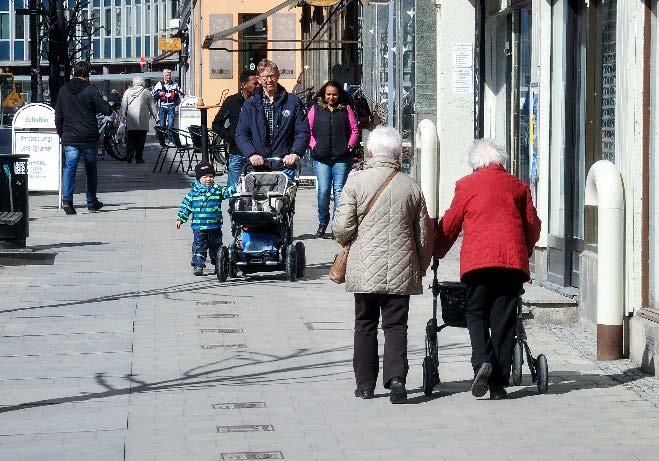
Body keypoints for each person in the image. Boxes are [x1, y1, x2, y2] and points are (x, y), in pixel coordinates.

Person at [433, 139, 541, 400]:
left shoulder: (466, 185)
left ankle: (481, 360)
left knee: (475, 312)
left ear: (475, 164)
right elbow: (532, 226)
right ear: (500, 161)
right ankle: (497, 385)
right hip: (510, 262)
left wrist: (436, 250)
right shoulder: (518, 186)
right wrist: (524, 249)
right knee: (503, 322)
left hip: (478, 263)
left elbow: (450, 223)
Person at [333, 126, 433, 404]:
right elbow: (424, 235)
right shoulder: (411, 185)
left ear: (370, 151)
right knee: (396, 325)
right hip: (402, 268)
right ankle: (397, 379)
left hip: (364, 268)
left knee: (365, 323)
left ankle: (365, 384)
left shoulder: (355, 182)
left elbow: (341, 228)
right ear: (397, 152)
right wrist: (420, 267)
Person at [235, 59, 310, 180]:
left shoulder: (292, 102)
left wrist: (295, 153)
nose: (269, 80)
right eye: (265, 77)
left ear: (278, 76)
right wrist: (252, 154)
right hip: (257, 167)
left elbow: (302, 131)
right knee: (258, 199)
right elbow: (241, 134)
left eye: (272, 76)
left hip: (285, 165)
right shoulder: (250, 104)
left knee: (282, 199)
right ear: (259, 78)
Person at [55, 60, 112, 215]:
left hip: (70, 136)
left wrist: (62, 134)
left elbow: (58, 115)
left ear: (74, 72)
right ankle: (92, 202)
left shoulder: (63, 90)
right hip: (88, 136)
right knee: (90, 169)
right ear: (87, 74)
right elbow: (106, 110)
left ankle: (67, 201)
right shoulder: (91, 90)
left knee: (70, 168)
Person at [308, 81, 359, 237]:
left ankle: (338, 225)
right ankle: (323, 222)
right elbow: (308, 130)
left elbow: (354, 130)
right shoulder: (315, 109)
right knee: (323, 191)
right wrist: (314, 146)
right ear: (324, 94)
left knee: (339, 192)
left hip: (341, 158)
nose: (331, 97)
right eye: (328, 94)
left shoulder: (346, 109)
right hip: (321, 157)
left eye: (334, 94)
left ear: (339, 95)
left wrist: (349, 146)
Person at [176, 162, 236, 276]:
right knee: (199, 245)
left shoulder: (217, 189)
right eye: (205, 177)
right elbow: (186, 206)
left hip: (215, 225)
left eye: (211, 176)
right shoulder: (193, 192)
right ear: (199, 178)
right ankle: (198, 265)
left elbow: (227, 192)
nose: (208, 179)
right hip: (199, 226)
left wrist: (237, 186)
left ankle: (218, 263)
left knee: (216, 246)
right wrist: (180, 218)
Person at [212, 69, 260, 187]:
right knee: (233, 189)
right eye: (254, 83)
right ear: (244, 84)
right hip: (236, 153)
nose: (257, 86)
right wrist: (231, 137)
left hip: (256, 154)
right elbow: (216, 124)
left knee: (255, 191)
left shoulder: (260, 101)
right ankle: (233, 206)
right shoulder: (232, 101)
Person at [121, 75, 159, 164]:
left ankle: (130, 154)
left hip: (131, 119)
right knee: (141, 139)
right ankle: (138, 158)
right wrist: (157, 117)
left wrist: (122, 116)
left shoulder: (127, 92)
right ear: (142, 83)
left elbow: (123, 106)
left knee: (131, 138)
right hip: (143, 119)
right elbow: (152, 106)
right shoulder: (146, 92)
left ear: (133, 82)